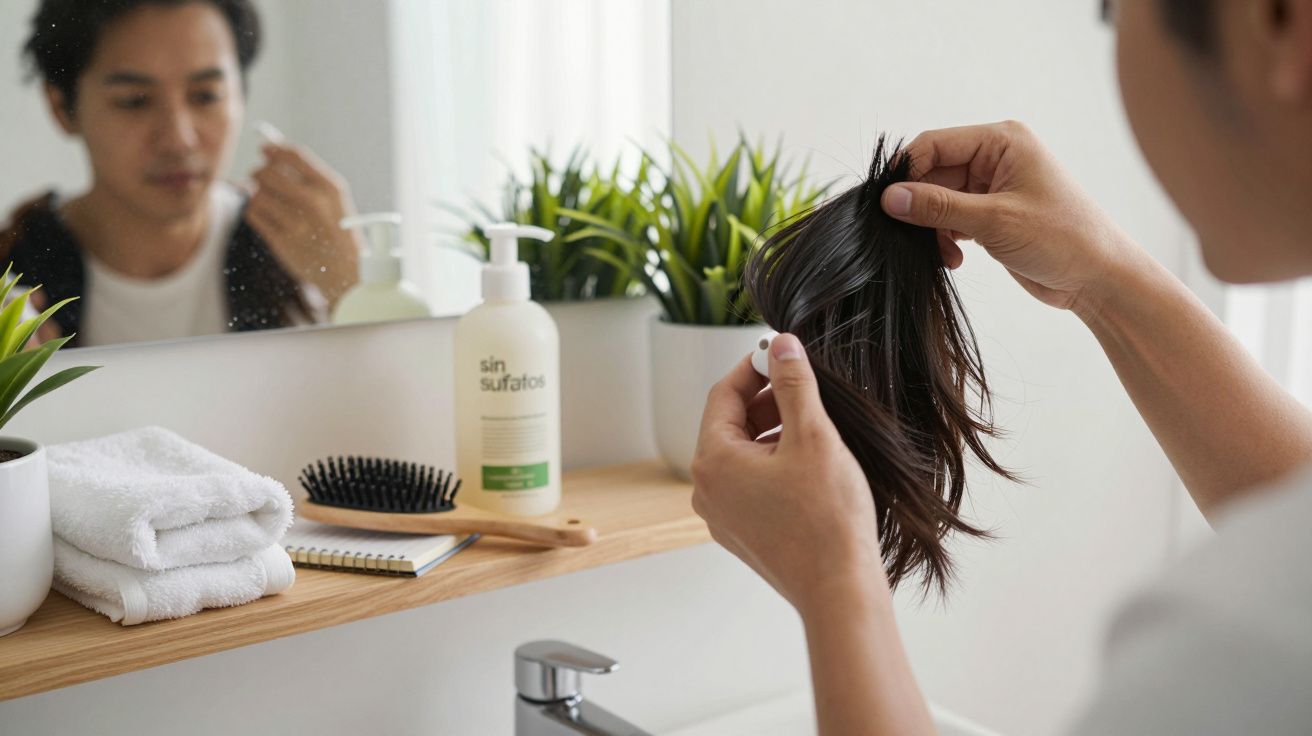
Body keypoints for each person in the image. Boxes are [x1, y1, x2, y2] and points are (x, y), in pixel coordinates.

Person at [691, 0, 1312, 733]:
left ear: (1278, 21)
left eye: (1112, 9)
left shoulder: (1242, 646)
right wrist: (1100, 275)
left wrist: (835, 581)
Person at [0, 0, 362, 346]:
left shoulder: (301, 259)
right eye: (135, 101)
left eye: (206, 95)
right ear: (62, 107)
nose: (179, 140)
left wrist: (354, 288)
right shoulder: (12, 268)